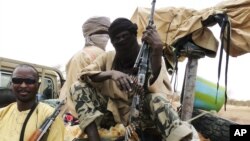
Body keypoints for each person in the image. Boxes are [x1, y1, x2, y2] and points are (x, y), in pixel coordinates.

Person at [69, 18, 199, 141]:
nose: (121, 41)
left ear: (133, 35)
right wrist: (111, 74)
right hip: (114, 115)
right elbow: (85, 74)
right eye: (116, 39)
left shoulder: (150, 55)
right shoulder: (109, 57)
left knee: (157, 100)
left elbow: (157, 84)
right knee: (77, 86)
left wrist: (157, 50)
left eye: (125, 36)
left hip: (143, 116)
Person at [59, 16, 111, 117]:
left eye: (106, 33)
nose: (104, 36)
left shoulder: (77, 55)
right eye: (100, 32)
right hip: (86, 114)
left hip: (72, 112)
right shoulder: (95, 55)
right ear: (88, 35)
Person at [0, 64, 65, 141]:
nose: (23, 85)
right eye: (17, 80)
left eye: (29, 81)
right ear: (11, 85)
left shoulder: (51, 117)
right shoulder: (2, 113)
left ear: (38, 85)